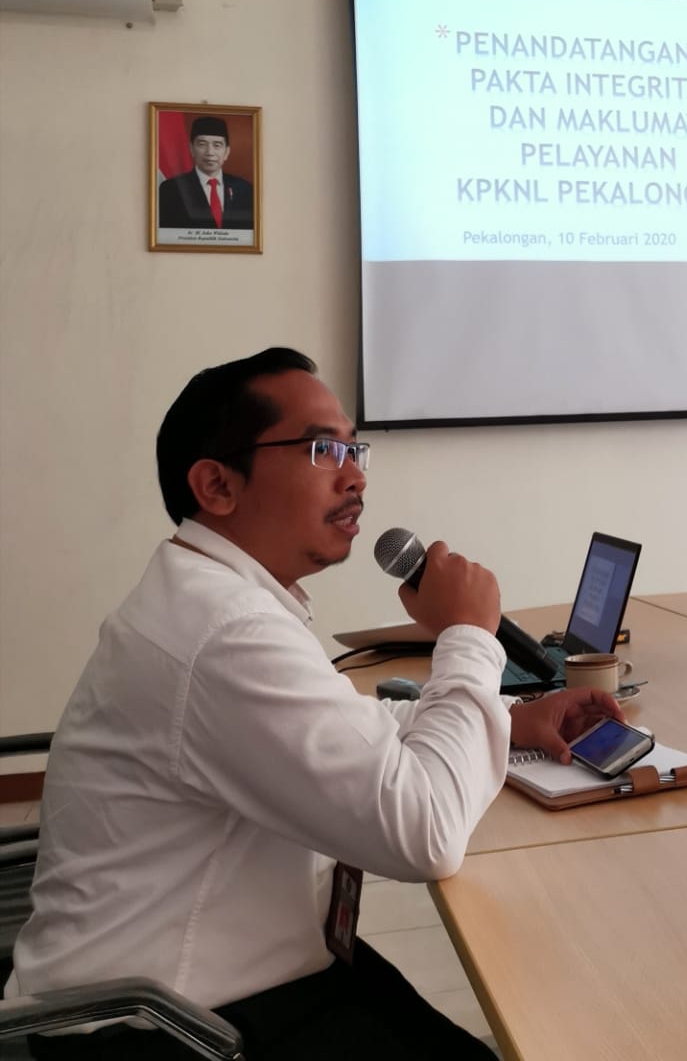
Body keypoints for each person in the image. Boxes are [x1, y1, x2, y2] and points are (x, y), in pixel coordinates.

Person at [6, 347, 622, 1059]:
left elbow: (337, 730)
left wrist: (509, 719)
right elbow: (425, 834)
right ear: (217, 484)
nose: (355, 475)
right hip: (166, 1029)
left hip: (228, 981)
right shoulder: (223, 631)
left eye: (354, 449)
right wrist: (468, 637)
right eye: (323, 449)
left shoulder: (214, 597)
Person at [157, 115, 255, 231]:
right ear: (191, 149)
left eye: (217, 145)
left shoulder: (245, 189)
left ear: (227, 152)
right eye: (202, 144)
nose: (210, 152)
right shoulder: (171, 189)